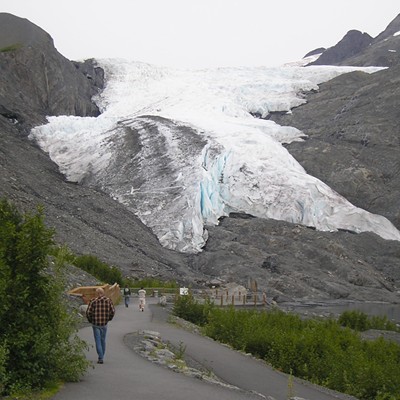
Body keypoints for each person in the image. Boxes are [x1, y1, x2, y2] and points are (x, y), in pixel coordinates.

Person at [86, 287, 115, 364]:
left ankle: (100, 357)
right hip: (104, 323)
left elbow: (88, 312)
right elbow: (112, 311)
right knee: (103, 340)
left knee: (98, 341)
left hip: (95, 324)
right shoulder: (108, 301)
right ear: (103, 293)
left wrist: (90, 320)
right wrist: (108, 319)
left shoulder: (93, 301)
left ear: (97, 293)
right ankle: (102, 355)